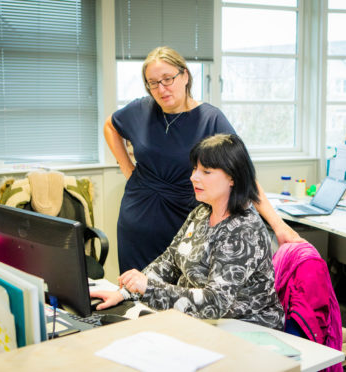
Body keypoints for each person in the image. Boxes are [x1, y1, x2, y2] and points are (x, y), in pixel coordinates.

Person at [105, 46, 302, 273]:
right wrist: (127, 168)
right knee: (134, 296)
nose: (161, 89)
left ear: (185, 75)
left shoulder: (210, 119)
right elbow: (110, 126)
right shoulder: (140, 109)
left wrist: (278, 225)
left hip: (183, 223)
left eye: (168, 79)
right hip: (136, 220)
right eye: (153, 82)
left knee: (179, 297)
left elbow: (244, 174)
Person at [91, 134, 285, 330]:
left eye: (206, 172)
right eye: (195, 169)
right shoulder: (201, 212)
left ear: (233, 178)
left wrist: (148, 288)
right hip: (201, 320)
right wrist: (125, 293)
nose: (194, 177)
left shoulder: (244, 230)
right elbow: (170, 261)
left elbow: (214, 302)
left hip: (244, 327)